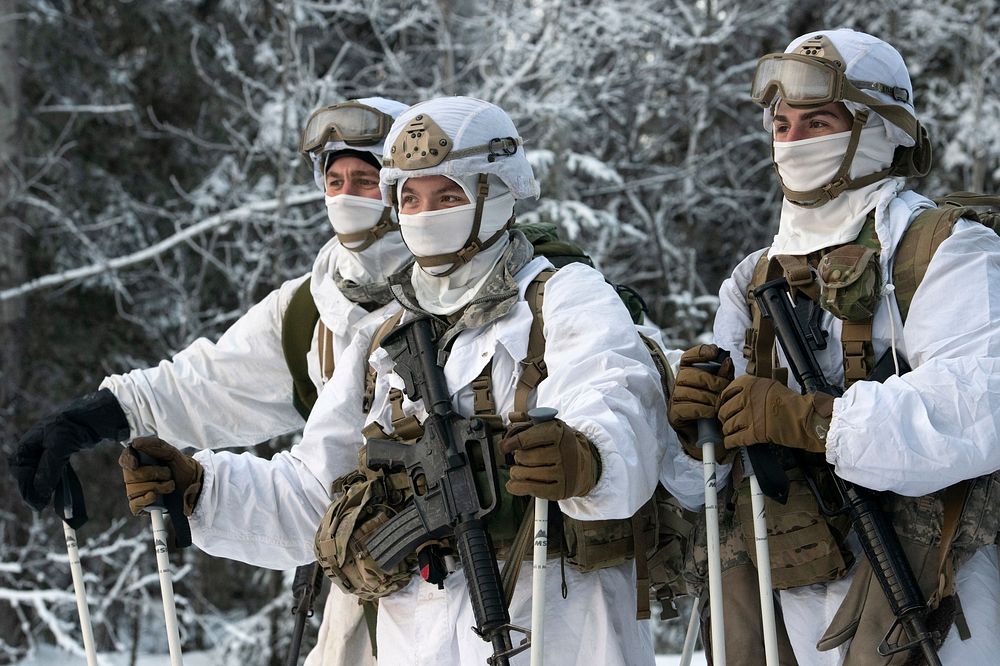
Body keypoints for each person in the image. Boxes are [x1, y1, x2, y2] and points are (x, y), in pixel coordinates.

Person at [111, 95, 681, 665]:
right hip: (417, 634)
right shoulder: (386, 337)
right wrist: (201, 488)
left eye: (448, 194)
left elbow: (620, 400)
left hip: (558, 624)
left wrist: (587, 458)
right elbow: (315, 492)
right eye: (410, 196)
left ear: (496, 193)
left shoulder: (563, 297)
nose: (426, 212)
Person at [9, 96, 410, 666]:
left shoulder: (469, 300)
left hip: (490, 603)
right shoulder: (312, 308)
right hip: (367, 600)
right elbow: (211, 383)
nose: (346, 197)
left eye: (365, 180)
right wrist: (93, 416)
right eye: (335, 181)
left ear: (401, 187)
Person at [668, 28, 1000, 665]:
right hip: (785, 577)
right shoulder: (754, 277)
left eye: (817, 121)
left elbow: (977, 402)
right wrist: (697, 423)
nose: (791, 143)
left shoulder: (942, 249)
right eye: (782, 125)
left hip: (929, 593)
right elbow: (704, 481)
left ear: (879, 130)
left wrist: (818, 422)